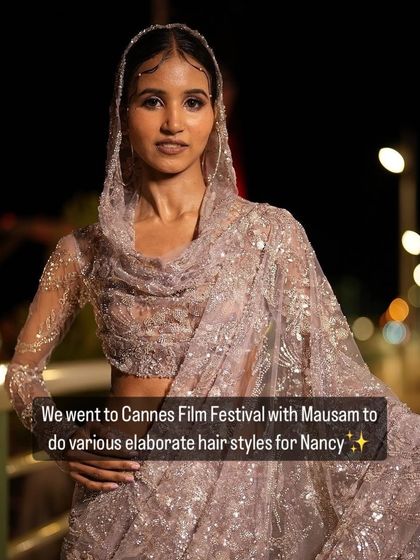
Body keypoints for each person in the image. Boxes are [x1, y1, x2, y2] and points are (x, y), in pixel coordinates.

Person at [4, 23, 419, 560]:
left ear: (216, 115)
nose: (174, 122)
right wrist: (63, 440)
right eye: (153, 100)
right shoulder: (85, 250)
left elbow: (329, 376)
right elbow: (23, 375)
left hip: (227, 515)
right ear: (123, 113)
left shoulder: (269, 235)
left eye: (194, 102)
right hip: (113, 509)